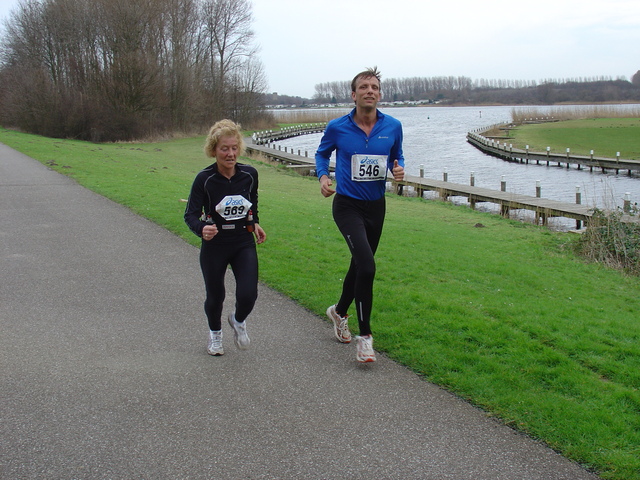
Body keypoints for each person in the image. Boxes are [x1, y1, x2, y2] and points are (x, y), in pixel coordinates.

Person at [315, 67, 405, 363]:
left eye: (374, 87)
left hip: (376, 206)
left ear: (380, 94)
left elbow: (397, 154)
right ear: (353, 95)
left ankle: (338, 312)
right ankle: (365, 337)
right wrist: (322, 176)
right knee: (367, 267)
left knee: (359, 266)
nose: (370, 91)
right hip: (347, 206)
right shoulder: (337, 127)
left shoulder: (393, 126)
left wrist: (398, 167)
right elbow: (321, 154)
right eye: (364, 87)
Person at [184, 119, 266, 356]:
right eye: (224, 149)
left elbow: (252, 203)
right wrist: (201, 229)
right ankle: (215, 335)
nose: (230, 154)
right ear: (214, 150)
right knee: (216, 295)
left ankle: (238, 320)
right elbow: (190, 214)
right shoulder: (205, 179)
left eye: (233, 148)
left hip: (242, 242)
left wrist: (255, 222)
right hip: (215, 245)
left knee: (249, 294)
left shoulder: (250, 174)